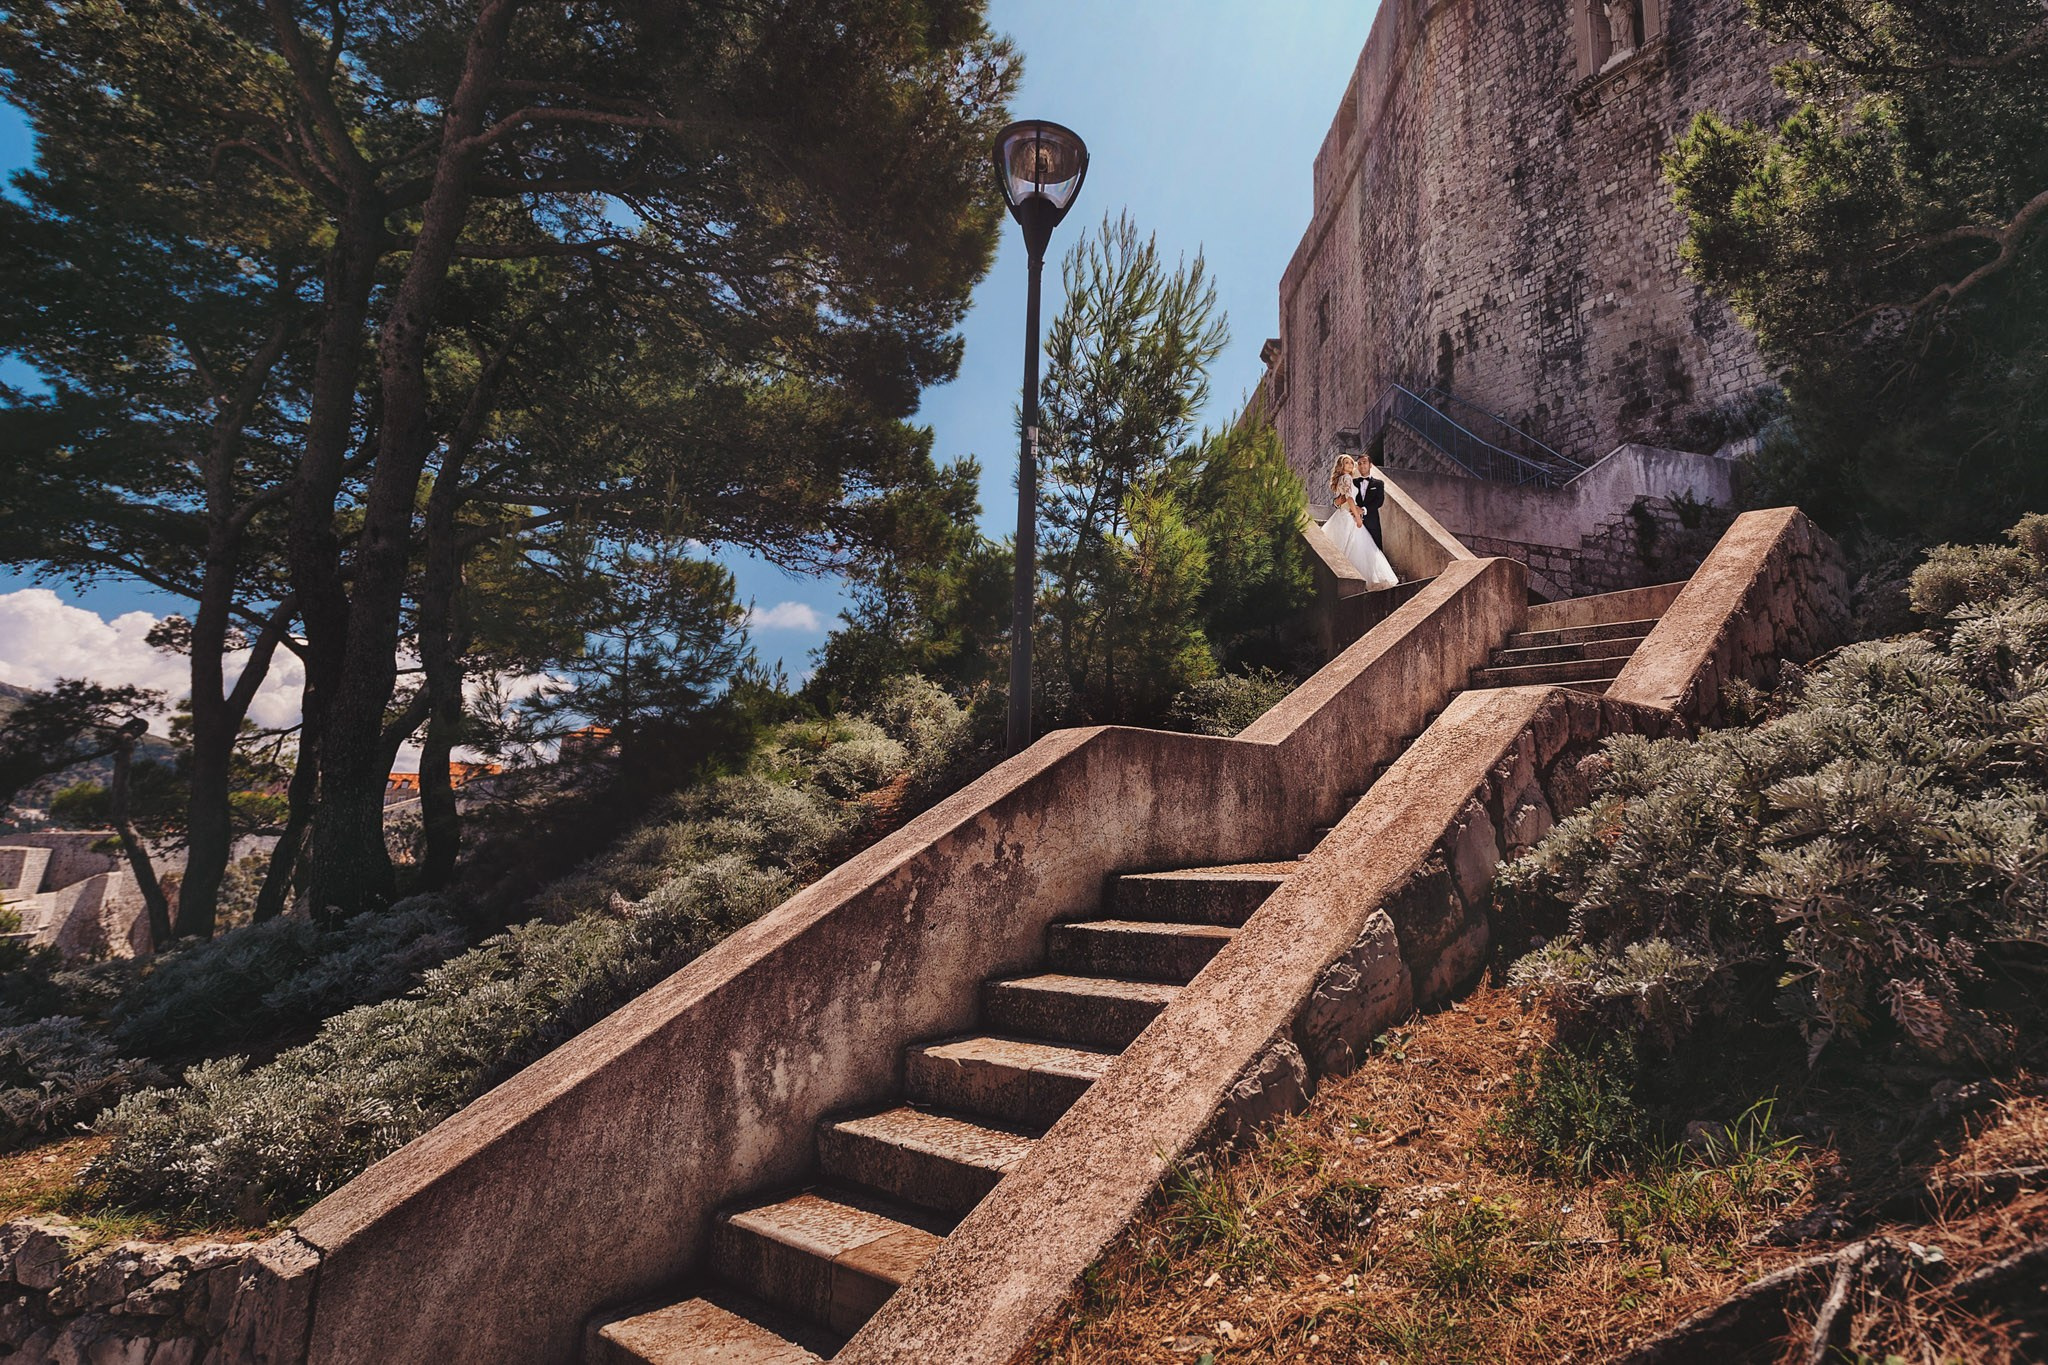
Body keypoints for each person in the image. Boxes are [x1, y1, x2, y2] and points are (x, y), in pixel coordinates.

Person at [1325, 454, 1398, 589]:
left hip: (1369, 520)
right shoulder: (1351, 479)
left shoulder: (1378, 483)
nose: (1352, 465)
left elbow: (1378, 502)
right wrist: (1354, 515)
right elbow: (1346, 498)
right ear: (1341, 466)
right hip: (1349, 517)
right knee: (1354, 548)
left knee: (1365, 549)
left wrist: (1361, 510)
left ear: (1370, 465)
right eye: (1348, 463)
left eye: (1352, 463)